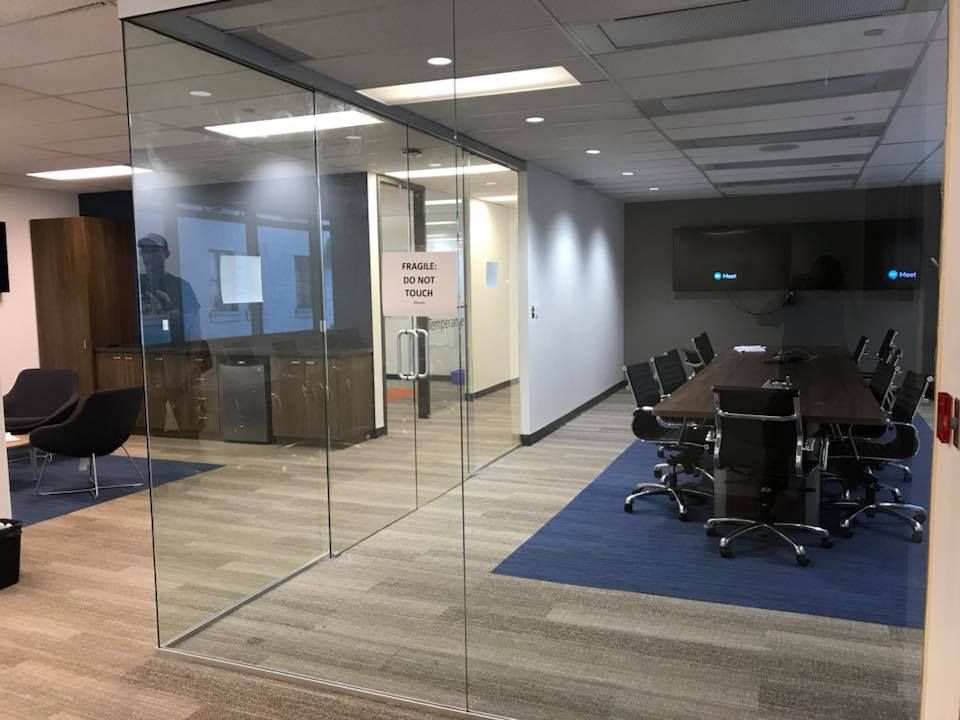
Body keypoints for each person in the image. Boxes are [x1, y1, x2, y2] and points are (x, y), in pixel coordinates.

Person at [138, 233, 201, 345]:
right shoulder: (136, 284)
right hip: (141, 351)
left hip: (172, 352)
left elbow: (193, 329)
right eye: (145, 251)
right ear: (141, 254)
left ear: (166, 254)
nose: (150, 256)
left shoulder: (181, 286)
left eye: (155, 251)